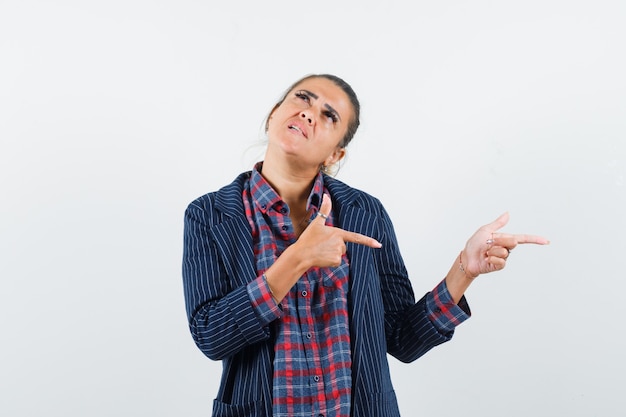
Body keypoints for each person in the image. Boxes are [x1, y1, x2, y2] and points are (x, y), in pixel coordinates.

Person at [181, 73, 549, 417]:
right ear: (274, 114)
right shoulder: (209, 215)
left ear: (335, 155)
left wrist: (464, 270)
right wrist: (297, 258)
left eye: (328, 116)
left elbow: (402, 338)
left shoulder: (365, 212)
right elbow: (210, 336)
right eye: (302, 99)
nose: (309, 113)